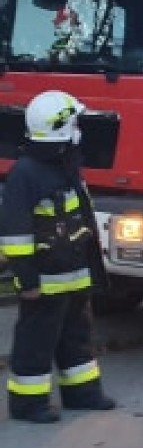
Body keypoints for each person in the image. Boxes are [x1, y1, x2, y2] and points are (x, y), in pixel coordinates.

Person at [0, 90, 115, 423]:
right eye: (75, 122)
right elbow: (16, 234)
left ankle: (83, 394)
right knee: (36, 342)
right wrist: (26, 280)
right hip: (44, 281)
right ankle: (28, 405)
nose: (80, 128)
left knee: (76, 337)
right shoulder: (26, 174)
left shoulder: (66, 166)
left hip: (74, 274)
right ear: (60, 128)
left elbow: (82, 218)